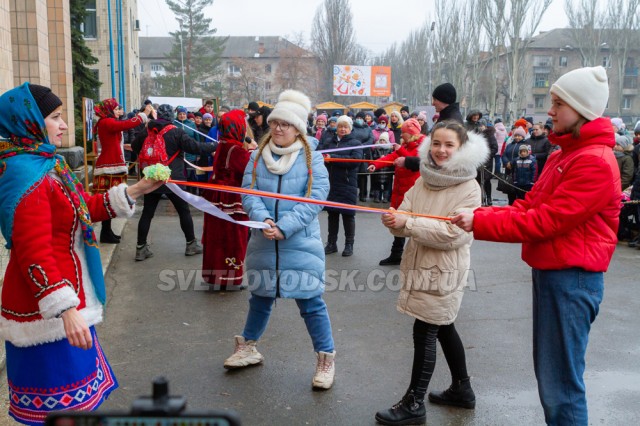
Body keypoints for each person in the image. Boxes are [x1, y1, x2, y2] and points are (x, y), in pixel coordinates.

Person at [451, 66, 620, 426]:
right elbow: (531, 206)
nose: (551, 111)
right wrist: (481, 212)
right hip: (555, 273)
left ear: (584, 110)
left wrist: (479, 221)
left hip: (572, 280)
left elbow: (546, 221)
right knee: (552, 377)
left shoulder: (593, 161)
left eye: (559, 104)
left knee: (562, 385)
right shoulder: (565, 153)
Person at [0, 83, 164, 425]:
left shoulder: (43, 162)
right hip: (47, 313)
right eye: (56, 118)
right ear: (29, 120)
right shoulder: (24, 173)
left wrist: (134, 190)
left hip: (64, 304)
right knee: (59, 413)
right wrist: (66, 309)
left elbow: (82, 208)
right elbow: (33, 249)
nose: (64, 125)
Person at [374, 120, 489, 425]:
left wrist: (407, 224)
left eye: (449, 145)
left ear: (461, 149)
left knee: (425, 329)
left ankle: (414, 403)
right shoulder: (424, 178)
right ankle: (462, 390)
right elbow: (407, 208)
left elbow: (455, 234)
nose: (441, 150)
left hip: (444, 271)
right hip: (419, 263)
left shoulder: (469, 187)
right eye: (436, 143)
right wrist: (395, 217)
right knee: (444, 325)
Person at [223, 90, 335, 390]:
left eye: (286, 124)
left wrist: (284, 226)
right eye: (275, 123)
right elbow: (249, 192)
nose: (279, 129)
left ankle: (326, 359)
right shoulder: (258, 156)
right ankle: (248, 347)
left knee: (311, 303)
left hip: (300, 243)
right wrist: (264, 220)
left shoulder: (313, 158)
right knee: (260, 297)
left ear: (298, 127)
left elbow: (316, 198)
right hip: (263, 240)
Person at [131, 104, 217, 260]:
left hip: (152, 177)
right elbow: (195, 147)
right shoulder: (176, 132)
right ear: (171, 115)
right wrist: (215, 144)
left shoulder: (148, 131)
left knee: (147, 213)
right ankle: (191, 245)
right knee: (183, 211)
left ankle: (140, 248)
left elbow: (135, 146)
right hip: (174, 178)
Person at [201, 110, 253, 288]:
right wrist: (253, 150)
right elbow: (248, 170)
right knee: (233, 237)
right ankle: (231, 279)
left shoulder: (222, 143)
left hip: (217, 195)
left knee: (216, 237)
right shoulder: (236, 149)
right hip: (231, 196)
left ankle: (216, 277)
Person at [93, 99, 152, 243]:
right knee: (109, 200)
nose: (120, 112)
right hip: (109, 167)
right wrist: (144, 114)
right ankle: (105, 232)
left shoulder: (106, 122)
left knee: (111, 200)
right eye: (116, 109)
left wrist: (125, 146)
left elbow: (113, 140)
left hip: (111, 165)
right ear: (108, 110)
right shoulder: (106, 122)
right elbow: (126, 124)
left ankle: (107, 231)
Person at [368, 118, 424, 266]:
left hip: (413, 191)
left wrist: (399, 149)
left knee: (414, 224)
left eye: (404, 132)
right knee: (398, 223)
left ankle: (415, 257)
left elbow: (413, 162)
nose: (401, 135)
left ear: (411, 133)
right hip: (400, 188)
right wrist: (376, 164)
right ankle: (396, 254)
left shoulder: (422, 145)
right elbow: (392, 157)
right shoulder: (405, 144)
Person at [318, 115, 363, 257]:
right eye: (340, 126)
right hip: (331, 183)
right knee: (332, 214)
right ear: (335, 128)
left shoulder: (356, 143)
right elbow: (319, 154)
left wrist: (334, 158)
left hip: (347, 183)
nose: (342, 129)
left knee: (348, 215)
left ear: (350, 128)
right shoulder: (328, 141)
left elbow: (356, 161)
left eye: (345, 127)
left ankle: (349, 244)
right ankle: (331, 243)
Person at [400, 83, 463, 172]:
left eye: (435, 99)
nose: (432, 103)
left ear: (444, 99)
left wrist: (408, 162)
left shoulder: (450, 122)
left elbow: (441, 157)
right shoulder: (448, 117)